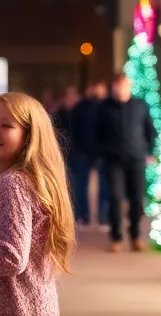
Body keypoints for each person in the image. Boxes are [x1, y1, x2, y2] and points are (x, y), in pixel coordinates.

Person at [0, 92, 75, 315]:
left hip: (14, 308)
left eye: (6, 125)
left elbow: (11, 258)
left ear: (29, 137)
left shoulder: (11, 184)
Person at [97, 73, 157, 252]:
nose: (120, 90)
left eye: (123, 86)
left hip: (137, 159)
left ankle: (135, 236)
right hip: (113, 160)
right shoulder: (104, 107)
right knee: (115, 198)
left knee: (136, 198)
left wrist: (150, 151)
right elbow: (95, 131)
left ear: (128, 86)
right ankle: (115, 237)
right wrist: (100, 151)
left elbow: (150, 130)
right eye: (117, 86)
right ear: (113, 87)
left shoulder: (140, 105)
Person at [68, 81, 108, 228]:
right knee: (80, 186)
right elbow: (73, 130)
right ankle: (82, 216)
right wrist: (77, 149)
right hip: (82, 153)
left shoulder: (107, 107)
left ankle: (103, 217)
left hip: (102, 153)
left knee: (104, 187)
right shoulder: (81, 108)